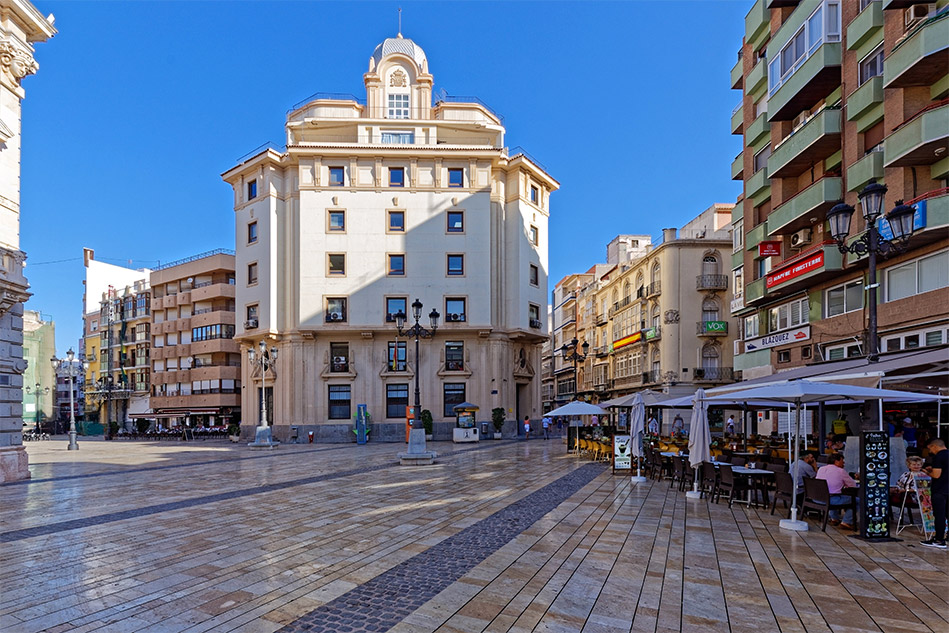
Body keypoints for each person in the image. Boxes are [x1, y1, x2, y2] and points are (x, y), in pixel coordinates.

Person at [816, 453, 857, 529]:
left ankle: (834, 518)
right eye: (842, 461)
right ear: (836, 461)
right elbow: (853, 485)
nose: (844, 463)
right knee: (857, 500)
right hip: (830, 500)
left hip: (818, 498)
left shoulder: (821, 469)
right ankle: (846, 522)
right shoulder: (840, 471)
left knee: (834, 493)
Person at [921, 438, 947, 549]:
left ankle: (939, 539)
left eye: (930, 448)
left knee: (940, 515)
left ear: (934, 446)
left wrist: (927, 472)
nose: (930, 451)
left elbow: (936, 475)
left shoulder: (938, 457)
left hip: (940, 490)